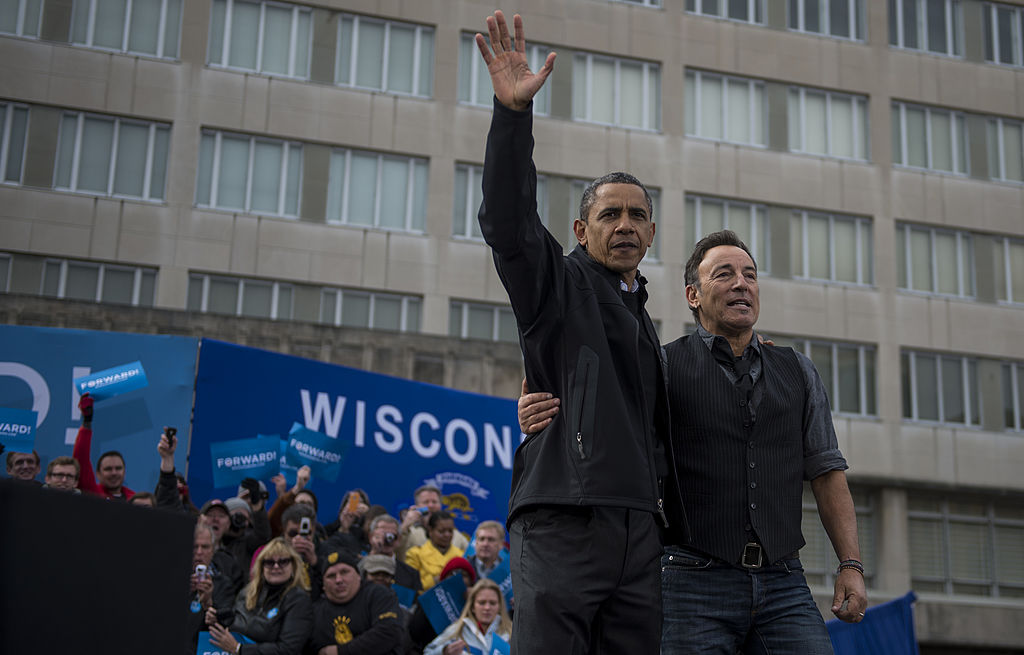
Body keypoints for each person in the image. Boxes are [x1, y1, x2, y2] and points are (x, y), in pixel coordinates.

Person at [519, 230, 868, 653]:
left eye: (750, 275)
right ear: (693, 295)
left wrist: (850, 564)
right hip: (690, 580)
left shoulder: (798, 370)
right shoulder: (662, 365)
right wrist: (540, 403)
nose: (742, 284)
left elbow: (827, 472)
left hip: (784, 582)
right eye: (724, 275)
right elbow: (604, 419)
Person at [473, 10, 684, 654]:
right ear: (580, 229)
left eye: (637, 216)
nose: (625, 225)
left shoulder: (645, 319)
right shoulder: (556, 287)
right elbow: (508, 224)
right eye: (609, 214)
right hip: (565, 518)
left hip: (640, 535)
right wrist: (512, 117)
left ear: (651, 234)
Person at [205, 537, 313, 655]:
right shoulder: (247, 593)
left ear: (293, 566)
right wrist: (219, 620)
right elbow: (240, 629)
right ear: (261, 567)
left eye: (283, 561)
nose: (276, 566)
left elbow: (288, 649)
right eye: (269, 562)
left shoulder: (299, 600)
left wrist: (239, 649)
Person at [309, 549, 404, 655]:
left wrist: (340, 652)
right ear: (323, 585)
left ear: (359, 575)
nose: (339, 580)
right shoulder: (316, 612)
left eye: (344, 572)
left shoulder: (378, 594)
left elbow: (389, 632)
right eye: (331, 576)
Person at [73, 393, 135, 500]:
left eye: (118, 468)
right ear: (98, 474)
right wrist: (87, 421)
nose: (114, 473)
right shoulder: (93, 494)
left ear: (124, 472)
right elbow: (81, 458)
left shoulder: (135, 500)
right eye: (108, 469)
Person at [424, 579, 512, 655]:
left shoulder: (512, 633)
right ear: (473, 606)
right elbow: (427, 652)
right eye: (482, 602)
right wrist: (444, 651)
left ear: (499, 606)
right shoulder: (457, 629)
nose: (487, 608)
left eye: (492, 603)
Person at [395, 485, 469, 560]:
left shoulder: (456, 536)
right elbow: (394, 552)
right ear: (417, 507)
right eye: (426, 502)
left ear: (440, 506)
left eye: (434, 502)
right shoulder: (409, 533)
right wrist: (406, 525)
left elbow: (471, 558)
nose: (430, 505)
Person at [404, 511, 465, 591]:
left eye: (450, 531)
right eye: (441, 531)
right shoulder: (415, 554)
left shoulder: (461, 555)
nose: (447, 535)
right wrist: (436, 580)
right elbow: (409, 586)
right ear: (430, 530)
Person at [366, 514, 422, 595]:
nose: (387, 539)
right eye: (383, 534)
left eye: (391, 536)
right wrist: (375, 550)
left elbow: (415, 605)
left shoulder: (411, 574)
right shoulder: (358, 566)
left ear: (399, 539)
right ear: (371, 536)